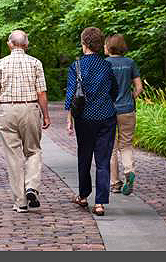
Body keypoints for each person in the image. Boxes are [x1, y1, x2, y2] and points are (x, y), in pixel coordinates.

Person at [0, 30, 51, 213]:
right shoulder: (35, 63)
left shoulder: (0, 64)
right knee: (33, 150)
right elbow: (42, 93)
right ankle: (31, 186)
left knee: (13, 157)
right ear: (26, 44)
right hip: (30, 109)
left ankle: (21, 202)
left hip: (7, 110)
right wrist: (45, 115)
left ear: (9, 44)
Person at [65, 27, 118, 216]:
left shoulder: (76, 66)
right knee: (103, 160)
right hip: (106, 117)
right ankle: (100, 203)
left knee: (84, 157)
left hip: (85, 118)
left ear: (84, 44)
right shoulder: (107, 66)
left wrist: (69, 119)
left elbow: (71, 94)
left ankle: (83, 195)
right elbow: (115, 91)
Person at [104, 34, 144, 195]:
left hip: (109, 110)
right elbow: (139, 87)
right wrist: (130, 97)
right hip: (127, 110)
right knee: (126, 144)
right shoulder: (130, 63)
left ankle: (115, 183)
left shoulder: (104, 64)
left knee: (111, 148)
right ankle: (129, 171)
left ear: (109, 47)